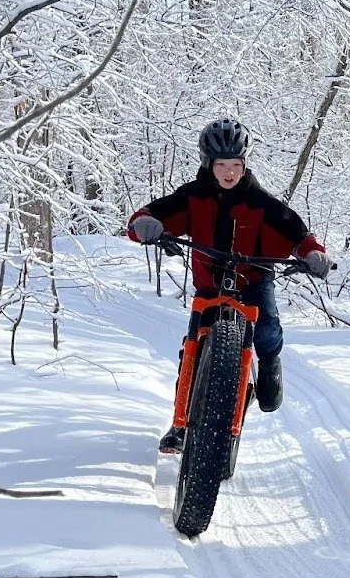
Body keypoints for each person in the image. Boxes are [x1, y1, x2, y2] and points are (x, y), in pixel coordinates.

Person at [127, 118, 330, 452]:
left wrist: (313, 253)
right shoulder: (194, 196)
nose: (229, 172)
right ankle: (179, 424)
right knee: (191, 348)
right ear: (209, 164)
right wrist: (145, 225)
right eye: (222, 164)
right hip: (209, 286)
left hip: (253, 281)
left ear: (245, 163)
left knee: (266, 329)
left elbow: (295, 232)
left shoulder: (260, 202)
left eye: (236, 164)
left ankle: (269, 366)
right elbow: (155, 213)